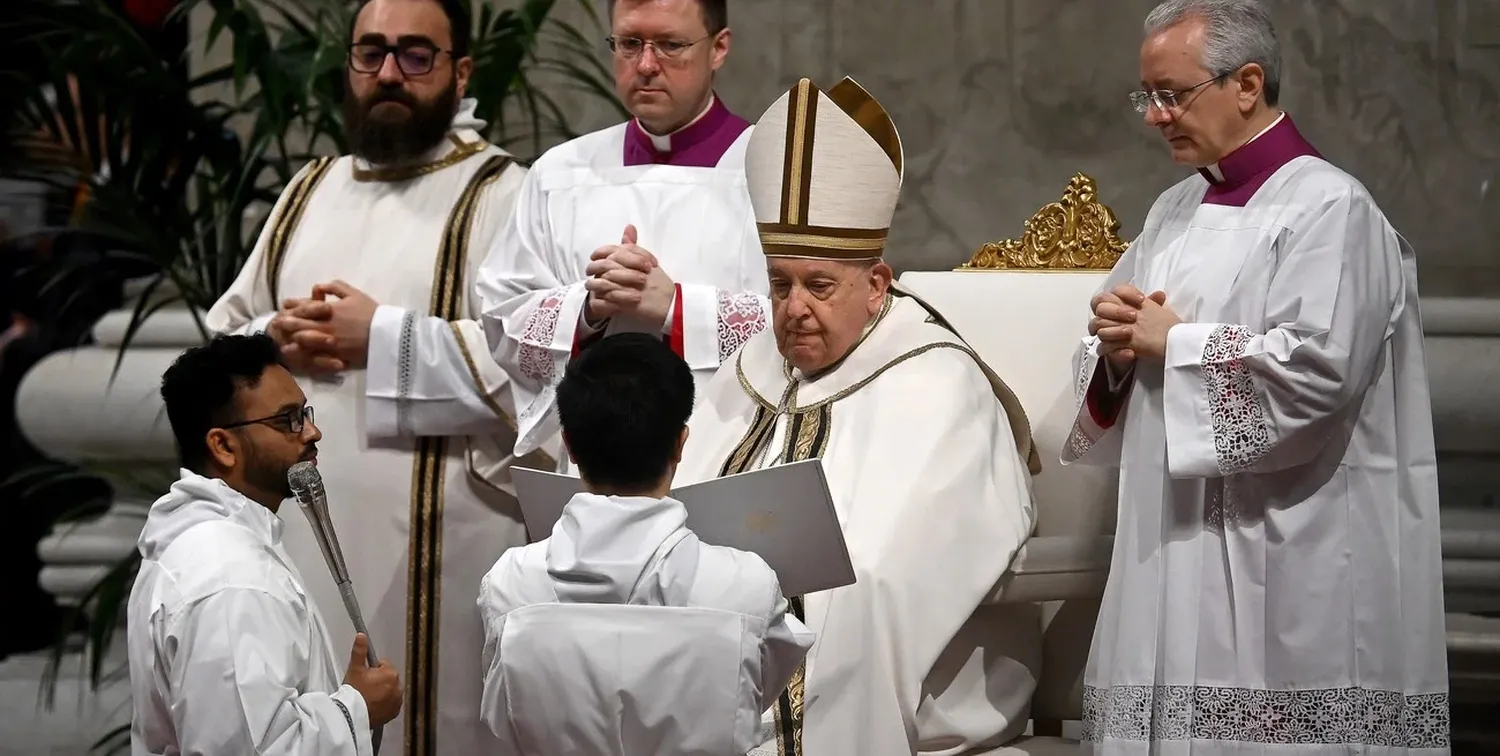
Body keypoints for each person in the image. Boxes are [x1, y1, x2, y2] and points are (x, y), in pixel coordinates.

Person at [1062, 1, 1450, 752]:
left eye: (1172, 94)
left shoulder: (1331, 209)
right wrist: (1111, 350)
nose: (1155, 116)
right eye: (1147, 96)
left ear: (1247, 83)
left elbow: (1317, 373)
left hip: (1285, 536)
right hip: (1170, 533)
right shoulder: (1175, 209)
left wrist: (1175, 345)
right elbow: (1119, 345)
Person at [203, 1, 553, 752]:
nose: (389, 72)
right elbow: (219, 339)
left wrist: (385, 337)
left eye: (416, 55)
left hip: (443, 550)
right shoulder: (308, 190)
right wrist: (272, 339)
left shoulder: (507, 195)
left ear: (461, 72)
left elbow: (537, 361)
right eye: (371, 53)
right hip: (293, 541)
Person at [674, 76, 1044, 756]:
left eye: (819, 286)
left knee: (853, 596)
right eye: (779, 284)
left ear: (877, 285)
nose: (792, 309)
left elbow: (898, 564)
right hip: (733, 677)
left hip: (923, 692)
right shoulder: (751, 364)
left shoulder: (937, 381)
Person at [476, 332, 813, 754]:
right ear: (680, 443)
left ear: (570, 445)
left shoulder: (510, 582)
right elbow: (757, 693)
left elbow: (501, 716)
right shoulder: (746, 585)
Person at [477, 0, 773, 461]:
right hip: (594, 469)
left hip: (731, 457)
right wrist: (586, 308)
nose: (647, 65)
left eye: (671, 45)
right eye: (630, 44)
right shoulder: (560, 174)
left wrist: (677, 308)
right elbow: (500, 320)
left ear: (719, 48)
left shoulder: (773, 171)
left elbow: (817, 320)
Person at [128, 333, 403, 755]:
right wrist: (358, 706)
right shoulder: (229, 576)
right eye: (287, 419)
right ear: (222, 445)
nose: (312, 431)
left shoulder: (211, 543)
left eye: (304, 413)